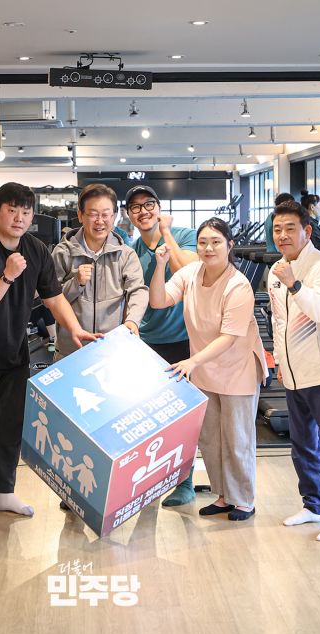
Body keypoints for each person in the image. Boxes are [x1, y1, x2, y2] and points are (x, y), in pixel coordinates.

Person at [0, 182, 98, 528]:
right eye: (12, 210)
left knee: (11, 426)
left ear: (32, 216)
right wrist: (7, 275)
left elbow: (53, 297)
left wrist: (74, 328)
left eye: (26, 212)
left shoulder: (35, 248)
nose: (19, 217)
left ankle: (4, 492)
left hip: (13, 355)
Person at [149, 217, 267, 522]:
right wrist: (160, 266)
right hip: (204, 367)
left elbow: (230, 337)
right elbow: (159, 301)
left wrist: (193, 361)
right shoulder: (190, 273)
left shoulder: (238, 285)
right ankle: (224, 495)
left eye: (216, 242)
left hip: (237, 368)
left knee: (237, 438)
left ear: (229, 245)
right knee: (211, 438)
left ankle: (243, 500)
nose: (208, 248)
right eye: (203, 242)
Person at [267, 201, 320, 542]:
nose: (282, 235)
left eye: (290, 228)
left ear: (306, 231)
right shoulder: (277, 270)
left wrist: (294, 284)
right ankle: (313, 505)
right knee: (302, 445)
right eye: (277, 229)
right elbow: (279, 322)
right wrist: (279, 361)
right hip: (293, 374)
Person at [125, 184, 200, 506]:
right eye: (135, 207)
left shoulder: (184, 235)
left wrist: (166, 233)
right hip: (146, 341)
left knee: (182, 417)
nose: (143, 211)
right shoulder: (131, 250)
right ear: (129, 215)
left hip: (183, 340)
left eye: (149, 204)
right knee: (147, 419)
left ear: (159, 207)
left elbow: (187, 271)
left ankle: (185, 482)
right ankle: (151, 481)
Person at [52, 182, 147, 356]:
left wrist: (133, 321)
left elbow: (138, 290)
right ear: (80, 215)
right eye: (93, 214)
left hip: (112, 350)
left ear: (115, 216)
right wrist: (76, 283)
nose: (100, 221)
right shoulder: (62, 252)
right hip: (71, 351)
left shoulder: (126, 254)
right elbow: (52, 299)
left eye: (106, 214)